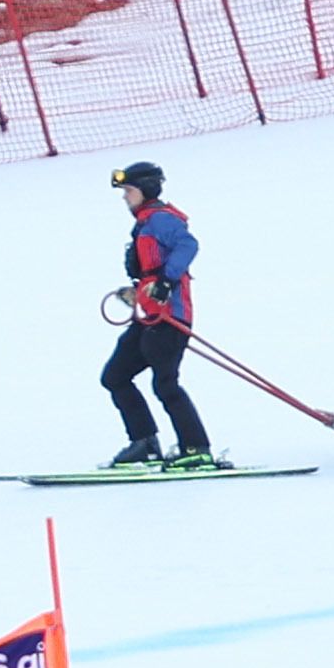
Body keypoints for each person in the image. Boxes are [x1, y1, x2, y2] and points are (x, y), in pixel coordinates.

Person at [101, 161, 222, 468]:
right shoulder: (145, 222)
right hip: (149, 319)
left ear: (147, 190)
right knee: (115, 376)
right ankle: (144, 443)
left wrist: (166, 282)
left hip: (171, 320)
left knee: (165, 384)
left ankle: (196, 449)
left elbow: (188, 245)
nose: (125, 197)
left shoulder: (160, 220)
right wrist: (137, 293)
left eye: (129, 190)